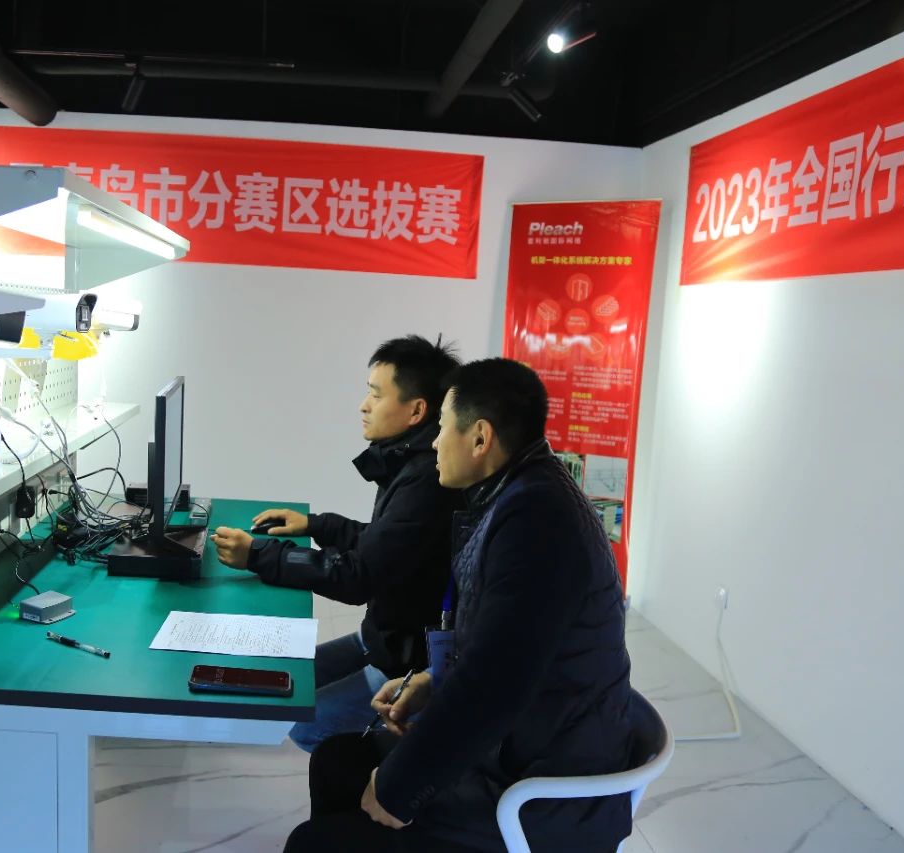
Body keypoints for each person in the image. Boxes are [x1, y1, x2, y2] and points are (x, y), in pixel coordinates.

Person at [284, 358, 635, 853]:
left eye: (443, 427)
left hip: (539, 787)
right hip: (521, 740)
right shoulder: (518, 491)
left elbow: (493, 686)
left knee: (314, 842)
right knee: (337, 761)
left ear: (480, 438)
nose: (433, 443)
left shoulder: (537, 522)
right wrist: (433, 680)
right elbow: (502, 649)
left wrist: (400, 788)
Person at [212, 334, 461, 751]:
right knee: (288, 679)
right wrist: (317, 525)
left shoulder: (425, 480)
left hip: (406, 661)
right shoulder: (408, 462)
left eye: (376, 395)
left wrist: (258, 554)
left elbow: (358, 577)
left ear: (416, 410)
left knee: (308, 727)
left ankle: (388, 767)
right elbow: (386, 545)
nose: (364, 405)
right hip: (382, 639)